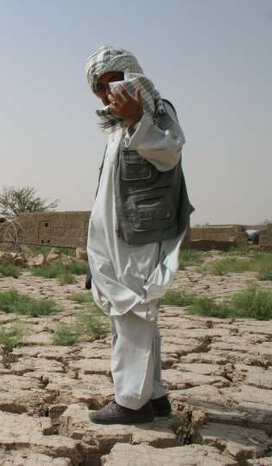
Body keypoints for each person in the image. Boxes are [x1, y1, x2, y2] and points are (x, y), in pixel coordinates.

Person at [84, 46, 194, 424]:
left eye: (110, 81)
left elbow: (169, 153)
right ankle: (155, 395)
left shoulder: (157, 112)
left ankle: (132, 402)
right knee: (132, 313)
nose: (104, 91)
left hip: (139, 238)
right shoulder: (116, 127)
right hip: (116, 240)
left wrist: (137, 120)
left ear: (129, 76)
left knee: (134, 310)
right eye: (97, 86)